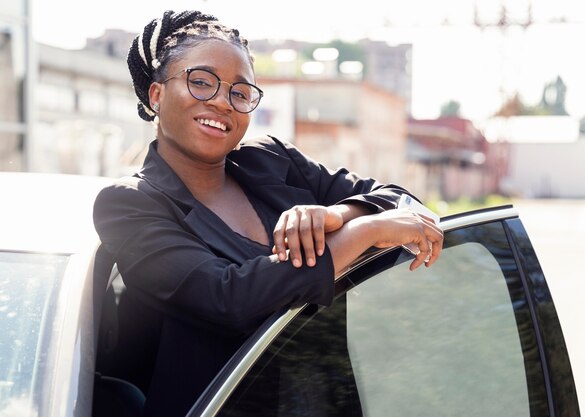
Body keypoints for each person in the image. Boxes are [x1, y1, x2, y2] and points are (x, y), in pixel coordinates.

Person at [93, 9, 443, 417]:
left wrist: (339, 215)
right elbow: (228, 299)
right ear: (156, 95)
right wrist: (361, 233)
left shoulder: (272, 160)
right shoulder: (131, 204)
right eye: (201, 82)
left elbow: (406, 206)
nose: (223, 102)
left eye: (240, 92)